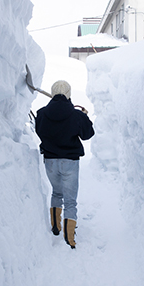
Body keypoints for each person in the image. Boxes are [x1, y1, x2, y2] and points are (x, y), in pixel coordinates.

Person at [35, 80, 94, 249]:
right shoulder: (76, 115)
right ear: (69, 94)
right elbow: (88, 134)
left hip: (50, 161)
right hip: (70, 162)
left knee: (56, 193)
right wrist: (84, 116)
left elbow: (39, 131)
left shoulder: (42, 113)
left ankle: (55, 227)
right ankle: (70, 238)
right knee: (70, 201)